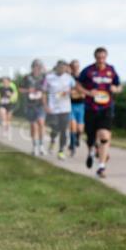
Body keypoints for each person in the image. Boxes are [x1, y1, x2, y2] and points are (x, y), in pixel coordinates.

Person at [76, 47, 121, 178]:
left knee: (104, 135)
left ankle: (101, 166)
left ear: (106, 57)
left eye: (103, 57)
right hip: (91, 108)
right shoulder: (88, 71)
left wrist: (116, 89)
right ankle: (91, 151)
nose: (101, 60)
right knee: (90, 138)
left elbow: (119, 85)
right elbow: (78, 85)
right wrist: (88, 92)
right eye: (98, 57)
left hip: (106, 108)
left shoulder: (111, 70)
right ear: (95, 57)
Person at [44, 60, 75, 159]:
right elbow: (43, 92)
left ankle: (61, 150)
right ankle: (52, 140)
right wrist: (45, 106)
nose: (62, 69)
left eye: (64, 67)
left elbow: (75, 89)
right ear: (56, 67)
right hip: (53, 108)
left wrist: (69, 92)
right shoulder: (49, 78)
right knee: (55, 128)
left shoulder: (69, 78)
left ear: (66, 68)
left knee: (63, 130)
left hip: (65, 108)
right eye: (60, 67)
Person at [20, 60, 48, 155]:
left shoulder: (44, 77)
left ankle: (41, 146)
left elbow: (45, 90)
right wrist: (28, 90)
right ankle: (34, 146)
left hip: (40, 105)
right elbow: (20, 89)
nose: (37, 68)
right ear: (32, 67)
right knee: (33, 126)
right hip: (30, 105)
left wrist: (45, 105)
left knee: (41, 123)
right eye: (35, 66)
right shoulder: (26, 78)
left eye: (39, 67)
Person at [68, 59, 86, 156]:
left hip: (81, 105)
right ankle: (72, 145)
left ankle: (77, 139)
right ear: (71, 67)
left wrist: (83, 93)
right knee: (72, 126)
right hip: (70, 105)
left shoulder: (82, 77)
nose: (75, 68)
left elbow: (86, 90)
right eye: (73, 66)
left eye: (77, 66)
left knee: (80, 129)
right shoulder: (67, 78)